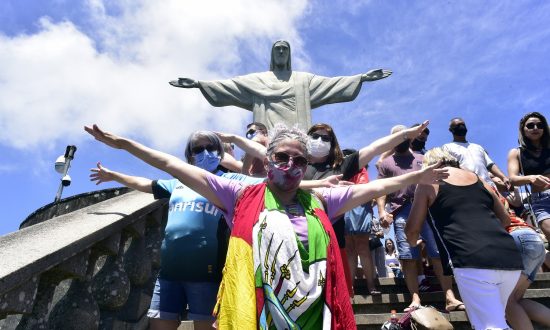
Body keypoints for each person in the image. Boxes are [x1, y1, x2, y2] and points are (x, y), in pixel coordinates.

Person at [85, 123, 448, 329]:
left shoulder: (322, 200)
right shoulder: (237, 194)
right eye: (281, 157)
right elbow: (170, 164)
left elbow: (377, 186)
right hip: (258, 311)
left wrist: (418, 174)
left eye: (298, 160)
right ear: (268, 160)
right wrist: (122, 144)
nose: (290, 165)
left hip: (310, 313)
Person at [89, 131, 261, 330]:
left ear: (220, 153)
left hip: (208, 275)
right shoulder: (177, 183)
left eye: (211, 148)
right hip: (169, 273)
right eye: (198, 149)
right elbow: (144, 184)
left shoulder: (231, 181)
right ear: (190, 156)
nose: (205, 153)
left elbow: (267, 184)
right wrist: (113, 175)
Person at [406, 147, 524, 330]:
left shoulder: (429, 183)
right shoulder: (479, 180)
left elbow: (412, 230)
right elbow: (505, 219)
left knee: (490, 326)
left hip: (471, 260)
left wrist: (413, 243)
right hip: (509, 258)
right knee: (497, 319)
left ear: (429, 165)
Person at [169, 40, 392, 130]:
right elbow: (230, 87)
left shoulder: (303, 80)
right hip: (265, 138)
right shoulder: (257, 80)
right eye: (278, 48)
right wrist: (199, 84)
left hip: (298, 136)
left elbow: (331, 85)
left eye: (285, 48)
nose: (282, 51)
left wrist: (361, 78)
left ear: (290, 54)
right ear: (273, 54)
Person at [376, 124, 463, 312]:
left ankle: (450, 296)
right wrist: (382, 211)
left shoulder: (422, 158)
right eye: (396, 137)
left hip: (428, 210)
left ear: (409, 137)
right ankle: (415, 299)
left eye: (403, 136)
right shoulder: (386, 163)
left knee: (437, 251)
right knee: (407, 256)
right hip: (401, 211)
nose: (401, 139)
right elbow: (382, 189)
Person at [489, 175, 550, 329]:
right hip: (532, 239)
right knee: (515, 299)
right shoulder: (495, 192)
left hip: (518, 239)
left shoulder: (478, 191)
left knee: (507, 302)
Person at [507, 112, 550, 241]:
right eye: (530, 125)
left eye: (539, 125)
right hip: (541, 201)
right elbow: (512, 179)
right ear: (523, 130)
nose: (535, 128)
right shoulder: (516, 153)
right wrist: (531, 178)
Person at [442, 117, 510, 188]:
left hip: (488, 186)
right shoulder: (447, 147)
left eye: (463, 125)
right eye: (458, 125)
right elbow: (449, 169)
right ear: (450, 130)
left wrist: (503, 177)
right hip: (466, 187)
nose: (461, 127)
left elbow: (490, 165)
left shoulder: (477, 147)